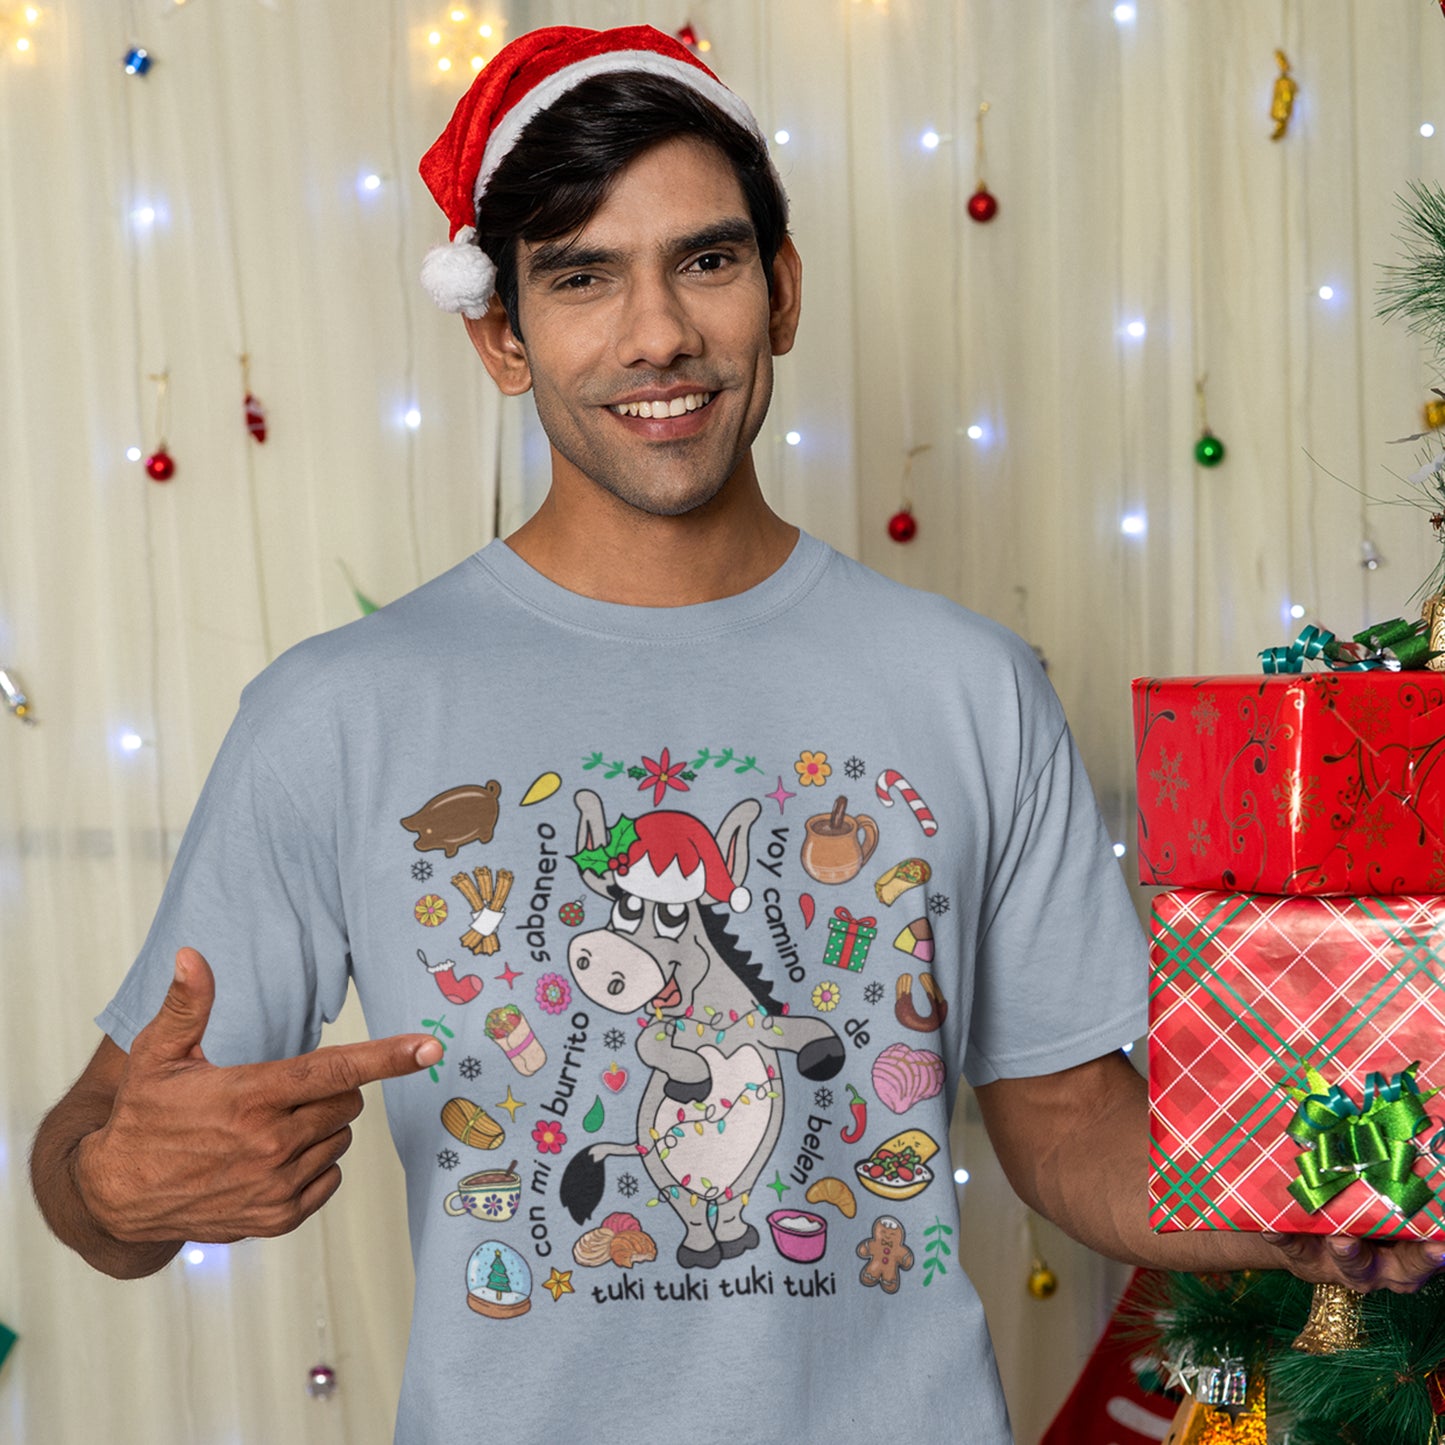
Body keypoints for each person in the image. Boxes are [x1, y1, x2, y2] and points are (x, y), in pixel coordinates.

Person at [29, 24, 1443, 1445]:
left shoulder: (966, 682)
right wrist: (111, 1191)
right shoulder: (338, 710)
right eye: (581, 278)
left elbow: (1067, 1115)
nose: (655, 335)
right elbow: (90, 1149)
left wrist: (1297, 1214)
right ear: (500, 336)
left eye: (702, 261)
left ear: (781, 290)